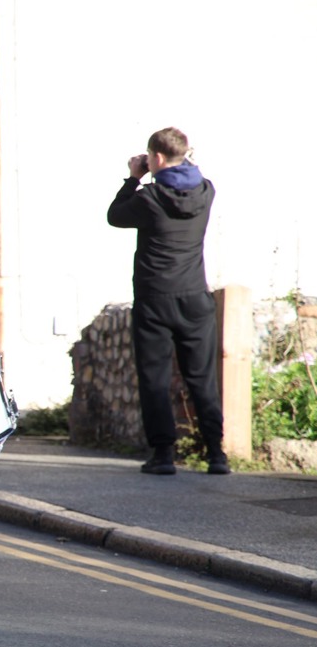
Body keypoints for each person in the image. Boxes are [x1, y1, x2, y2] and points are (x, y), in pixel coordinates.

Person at [106, 126, 226, 476]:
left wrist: (133, 178)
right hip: (194, 297)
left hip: (154, 298)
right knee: (202, 377)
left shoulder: (148, 199)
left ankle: (163, 455)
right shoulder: (206, 191)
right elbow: (190, 174)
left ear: (156, 157)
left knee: (155, 377)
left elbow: (115, 216)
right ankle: (216, 455)